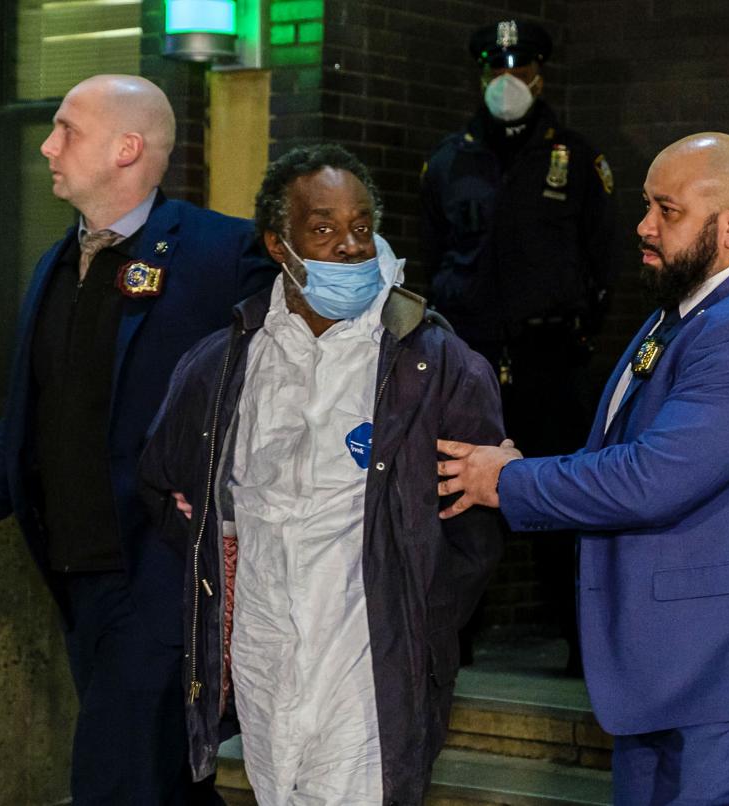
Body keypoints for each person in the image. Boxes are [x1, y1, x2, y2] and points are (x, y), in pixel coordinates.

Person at [436, 132, 729, 804]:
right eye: (646, 206)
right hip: (685, 666)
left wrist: (506, 480)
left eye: (667, 211)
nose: (643, 226)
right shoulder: (688, 311)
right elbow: (621, 451)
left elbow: (651, 478)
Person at [0, 74, 276, 804]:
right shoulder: (51, 266)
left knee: (112, 778)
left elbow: (292, 390)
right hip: (78, 581)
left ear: (126, 148)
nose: (46, 145)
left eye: (67, 128)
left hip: (167, 576)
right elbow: (24, 429)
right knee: (165, 782)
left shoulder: (221, 254)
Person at [139, 144, 505, 806]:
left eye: (362, 227)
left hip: (370, 660)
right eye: (325, 228)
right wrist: (216, 559)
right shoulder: (224, 362)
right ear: (279, 245)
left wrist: (422, 615)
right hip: (262, 654)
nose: (349, 246)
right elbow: (163, 483)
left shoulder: (437, 365)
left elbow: (476, 526)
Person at [420, 18, 616, 672]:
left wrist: (580, 332)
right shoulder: (449, 160)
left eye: (521, 68)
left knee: (562, 505)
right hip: (469, 362)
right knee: (458, 501)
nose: (508, 80)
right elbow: (433, 256)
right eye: (495, 68)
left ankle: (584, 653)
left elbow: (602, 259)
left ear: (541, 72)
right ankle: (454, 647)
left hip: (549, 362)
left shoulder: (577, 158)